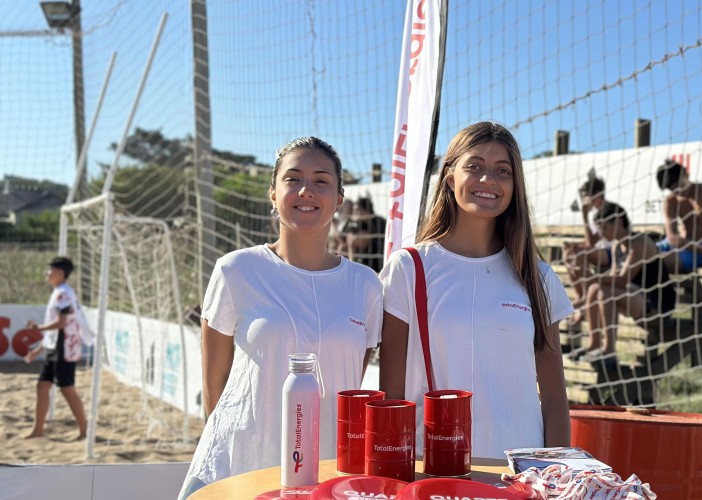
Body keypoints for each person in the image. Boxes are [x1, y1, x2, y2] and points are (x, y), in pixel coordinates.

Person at [178, 137, 384, 499]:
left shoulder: (364, 284)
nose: (307, 190)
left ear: (339, 199)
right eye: (293, 179)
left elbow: (350, 375)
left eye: (321, 180)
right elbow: (215, 388)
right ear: (273, 192)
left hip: (328, 472)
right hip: (241, 464)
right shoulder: (236, 270)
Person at [380, 121, 573, 459]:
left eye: (503, 170)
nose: (489, 180)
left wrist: (556, 479)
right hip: (435, 472)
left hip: (520, 475)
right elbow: (391, 397)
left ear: (515, 186)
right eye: (475, 167)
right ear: (449, 176)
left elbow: (555, 400)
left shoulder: (537, 277)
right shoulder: (408, 268)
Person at [578, 203, 674, 363]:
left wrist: (591, 277)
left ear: (617, 221)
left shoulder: (640, 242)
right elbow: (613, 275)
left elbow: (622, 280)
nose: (601, 233)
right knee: (596, 288)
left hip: (657, 305)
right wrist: (590, 278)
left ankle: (609, 351)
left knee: (604, 291)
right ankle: (594, 345)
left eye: (604, 227)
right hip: (636, 298)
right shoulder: (616, 246)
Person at [22, 256, 89, 441]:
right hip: (55, 348)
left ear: (60, 273)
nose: (46, 273)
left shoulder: (64, 293)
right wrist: (38, 349)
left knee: (67, 389)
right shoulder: (58, 292)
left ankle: (85, 431)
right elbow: (56, 329)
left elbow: (60, 324)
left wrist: (37, 328)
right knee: (42, 386)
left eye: (49, 270)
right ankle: (38, 430)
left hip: (65, 349)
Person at [561, 177, 621, 323]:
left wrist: (584, 216)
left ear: (597, 194)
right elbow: (592, 240)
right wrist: (573, 245)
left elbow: (593, 243)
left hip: (614, 252)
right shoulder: (596, 213)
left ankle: (583, 300)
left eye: (586, 196)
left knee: (579, 253)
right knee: (568, 253)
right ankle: (581, 296)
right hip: (601, 250)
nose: (584, 201)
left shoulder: (609, 210)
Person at [656, 158, 702, 273]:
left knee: (656, 263)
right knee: (638, 253)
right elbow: (672, 236)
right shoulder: (671, 201)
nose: (676, 191)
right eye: (671, 189)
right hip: (674, 244)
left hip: (697, 251)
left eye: (678, 185)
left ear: (685, 174)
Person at [343, 196, 387, 272]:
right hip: (360, 258)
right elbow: (344, 237)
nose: (354, 213)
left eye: (357, 210)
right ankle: (351, 268)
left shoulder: (379, 221)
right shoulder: (353, 223)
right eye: (353, 210)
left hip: (377, 258)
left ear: (365, 210)